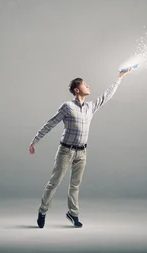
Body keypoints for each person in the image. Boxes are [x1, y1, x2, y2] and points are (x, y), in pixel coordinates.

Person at [28, 68, 132, 228]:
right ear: (77, 90)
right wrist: (35, 140)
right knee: (54, 183)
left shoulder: (90, 107)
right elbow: (51, 123)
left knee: (75, 185)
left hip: (82, 152)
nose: (88, 86)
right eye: (85, 84)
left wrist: (120, 77)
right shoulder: (67, 106)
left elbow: (107, 95)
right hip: (66, 151)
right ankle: (42, 211)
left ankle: (73, 214)